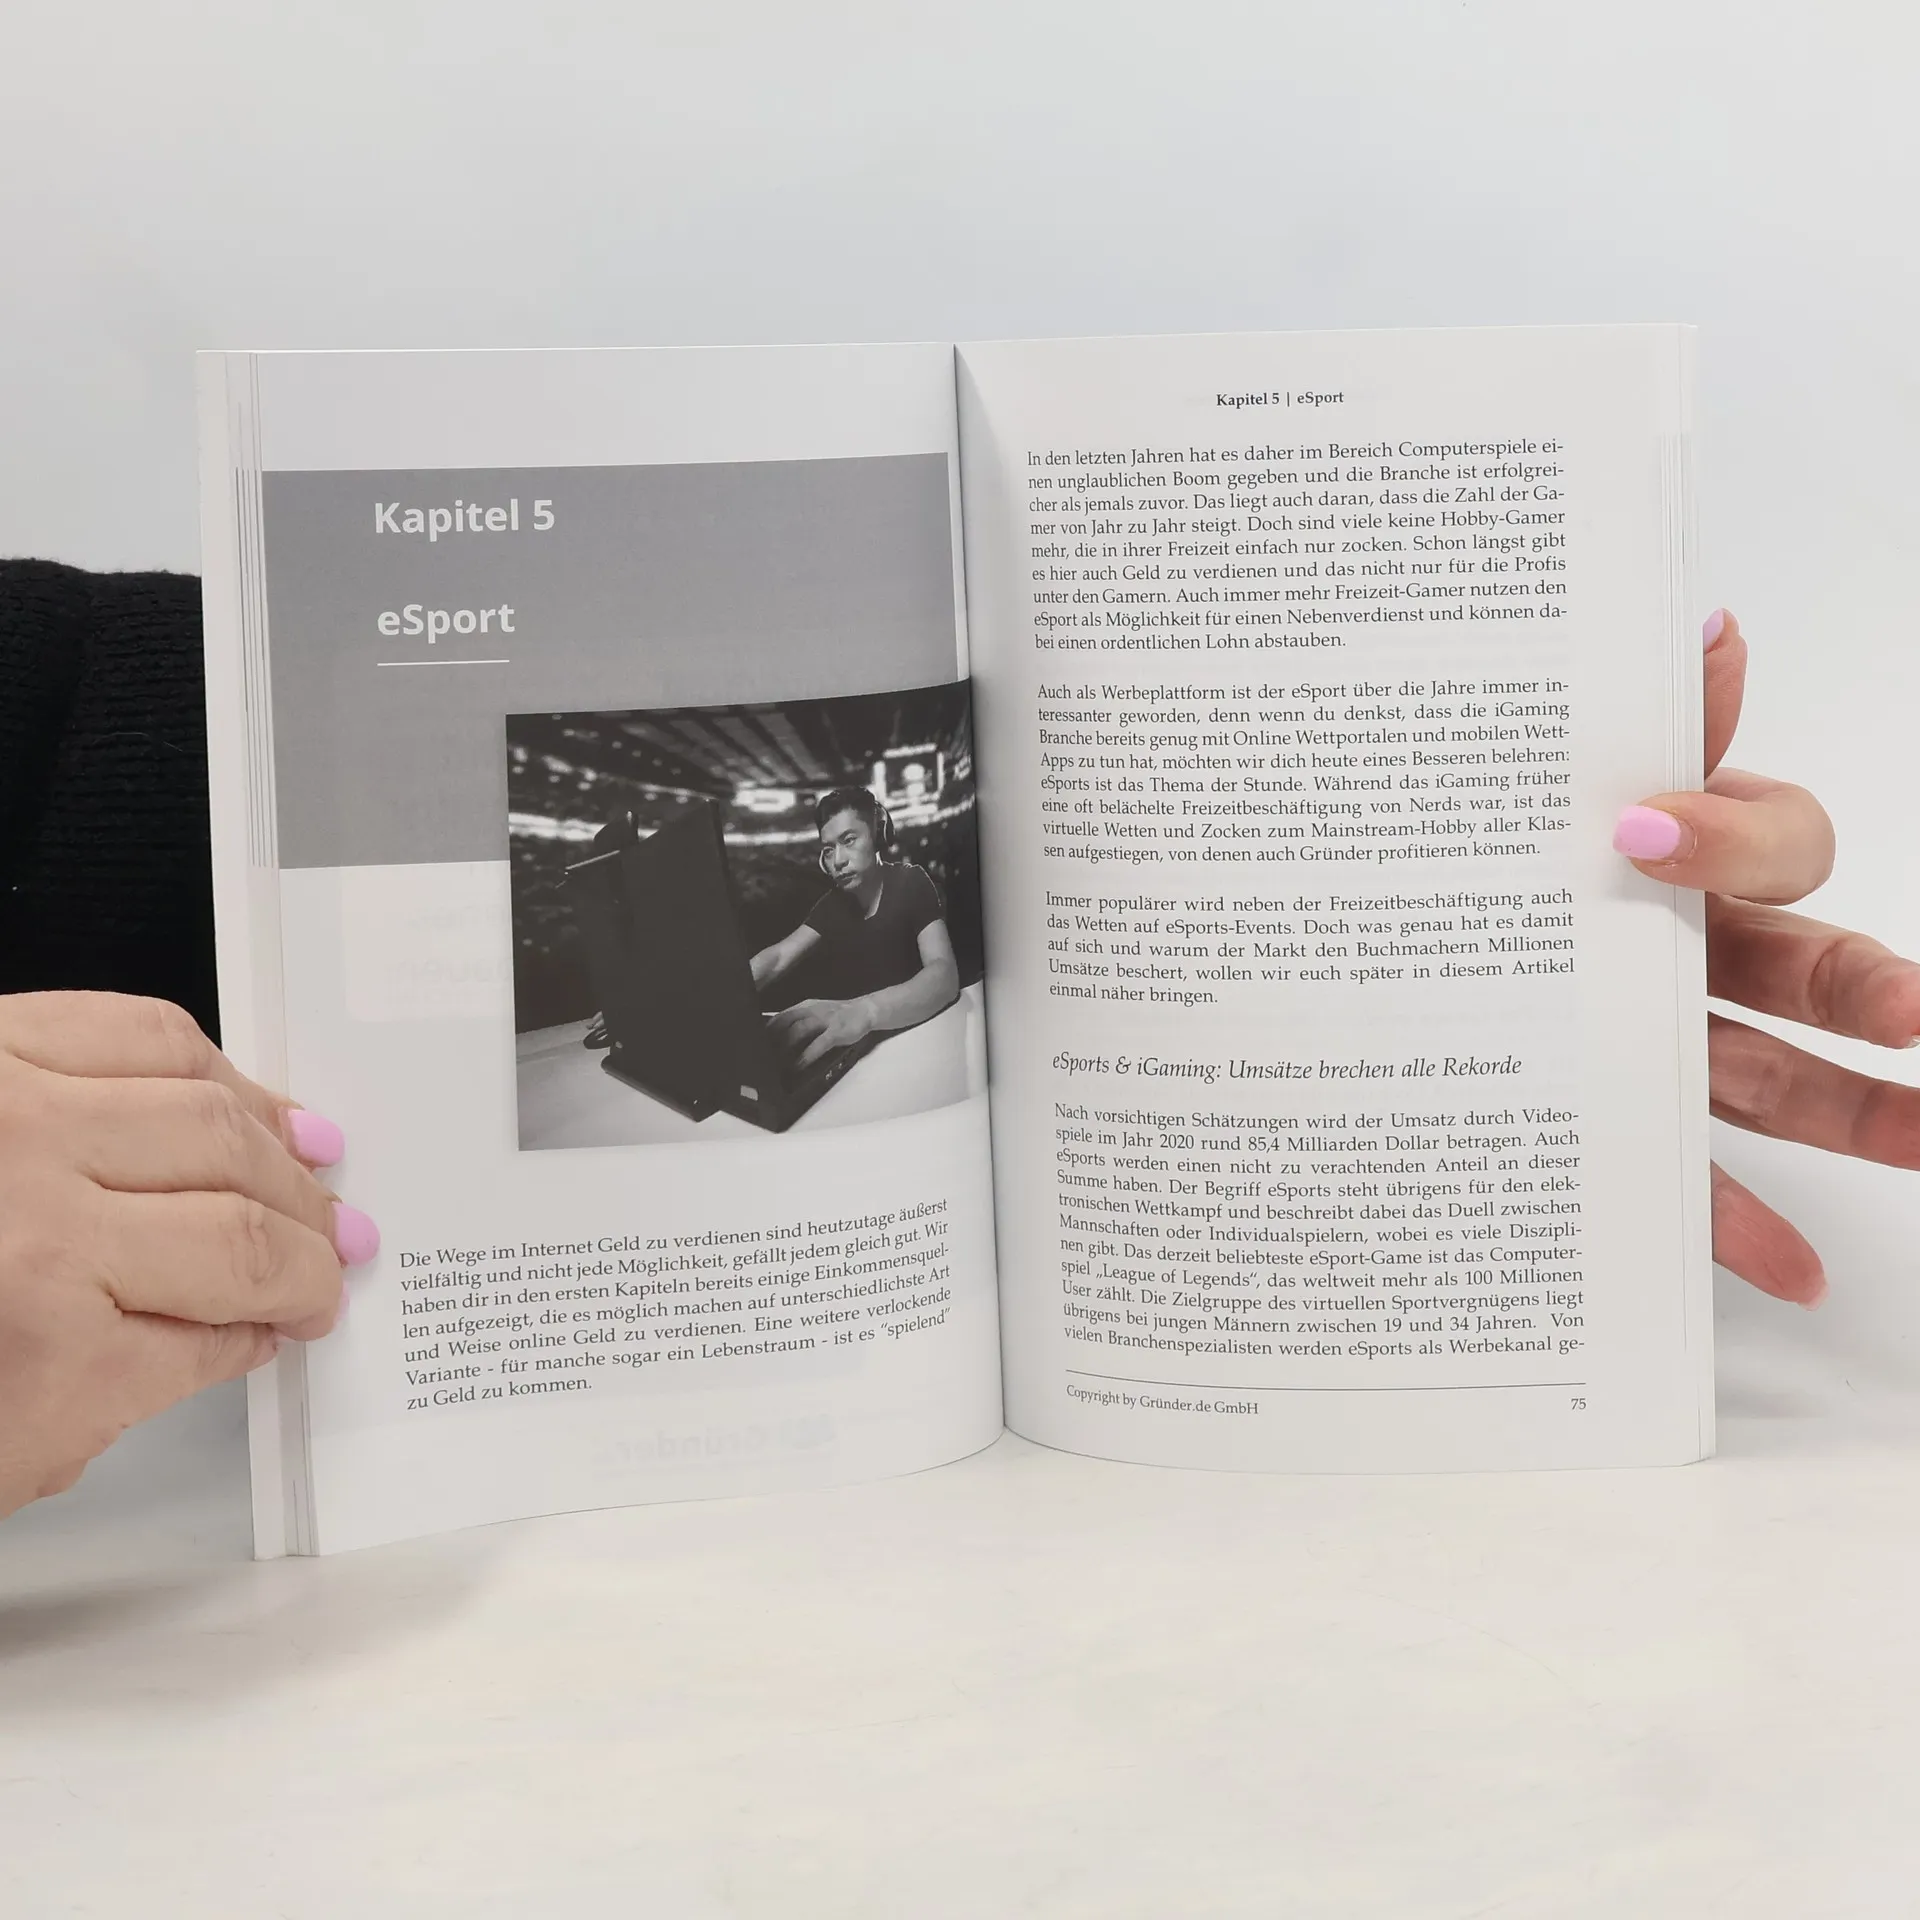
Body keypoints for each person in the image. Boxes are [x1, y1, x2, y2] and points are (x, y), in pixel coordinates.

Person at [0, 575, 1909, 1515]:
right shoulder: (813, 873)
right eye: (824, 839)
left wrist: (1325, 921)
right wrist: (764, 970)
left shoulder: (899, 874)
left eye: (848, 836)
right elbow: (786, 941)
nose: (834, 851)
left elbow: (923, 974)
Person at [749, 786, 960, 1069]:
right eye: (828, 850)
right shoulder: (834, 903)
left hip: (919, 1043)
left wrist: (866, 1011)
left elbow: (944, 975)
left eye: (848, 840)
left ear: (877, 835)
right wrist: (732, 986)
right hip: (863, 1053)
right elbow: (778, 956)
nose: (838, 860)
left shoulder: (910, 882)